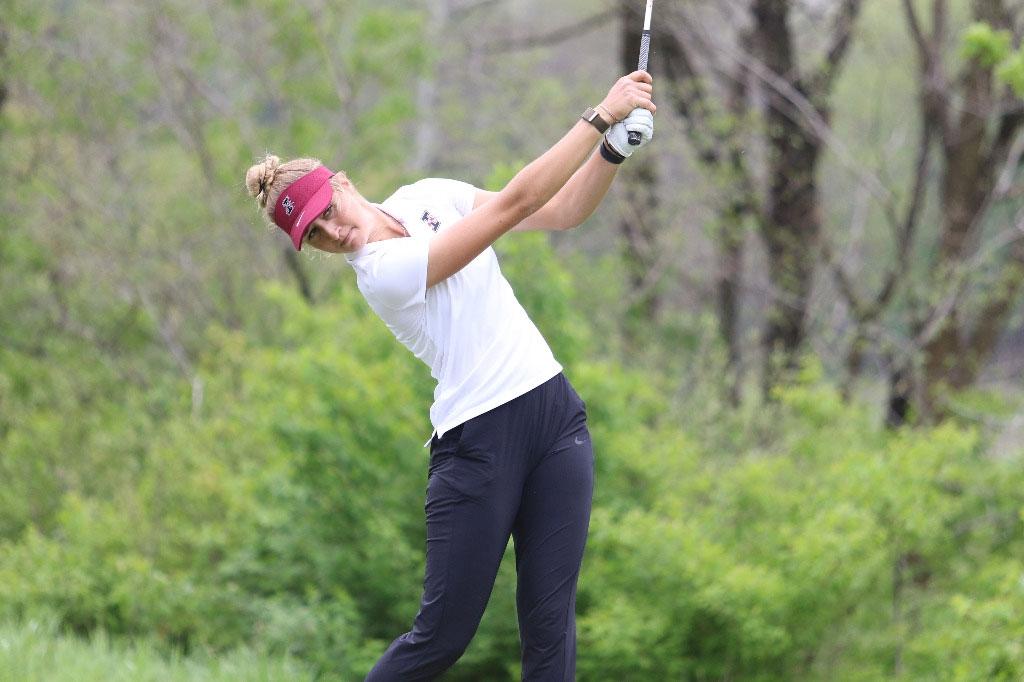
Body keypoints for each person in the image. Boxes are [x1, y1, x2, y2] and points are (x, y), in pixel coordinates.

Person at [244, 70, 655, 681]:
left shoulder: (426, 195)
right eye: (315, 236)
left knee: (550, 629)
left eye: (327, 211)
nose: (334, 232)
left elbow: (562, 211)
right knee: (441, 638)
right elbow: (519, 200)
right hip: (478, 446)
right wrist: (599, 115)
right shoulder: (380, 273)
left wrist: (613, 150)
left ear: (343, 183)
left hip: (553, 414)